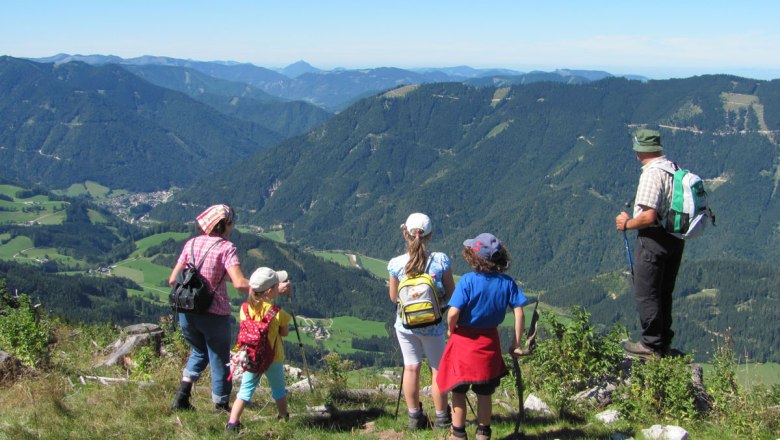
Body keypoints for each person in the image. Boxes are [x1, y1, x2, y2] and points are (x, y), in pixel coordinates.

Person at [437, 233, 527, 440]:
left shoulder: (468, 281)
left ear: (474, 257)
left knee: (458, 391)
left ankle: (458, 433)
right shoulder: (506, 282)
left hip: (463, 343)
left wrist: (451, 329)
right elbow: (519, 311)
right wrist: (516, 343)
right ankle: (483, 433)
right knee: (485, 393)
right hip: (489, 343)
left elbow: (452, 313)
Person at [169, 204, 250, 411]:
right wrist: (267, 286)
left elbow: (173, 280)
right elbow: (240, 283)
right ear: (224, 225)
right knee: (220, 360)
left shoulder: (191, 244)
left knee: (199, 351)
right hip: (215, 314)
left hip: (187, 311)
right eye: (231, 223)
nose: (232, 227)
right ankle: (221, 407)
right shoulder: (226, 248)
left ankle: (182, 397)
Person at [616, 129, 686, 359]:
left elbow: (647, 217)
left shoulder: (651, 174)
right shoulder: (673, 168)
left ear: (639, 150)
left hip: (653, 240)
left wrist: (626, 224)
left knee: (647, 293)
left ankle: (650, 345)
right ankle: (663, 343)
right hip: (675, 239)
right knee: (664, 292)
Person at [387, 213, 456, 430]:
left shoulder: (396, 264)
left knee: (411, 368)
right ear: (430, 235)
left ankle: (414, 417)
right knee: (437, 369)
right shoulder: (440, 261)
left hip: (405, 325)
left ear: (405, 233)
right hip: (433, 324)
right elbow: (452, 294)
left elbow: (393, 297)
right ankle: (442, 418)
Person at [226, 267, 293, 433]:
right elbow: (284, 333)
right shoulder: (277, 313)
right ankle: (283, 416)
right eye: (278, 285)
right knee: (279, 390)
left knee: (245, 390)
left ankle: (232, 423)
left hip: (252, 356)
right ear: (270, 291)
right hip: (273, 358)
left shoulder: (244, 309)